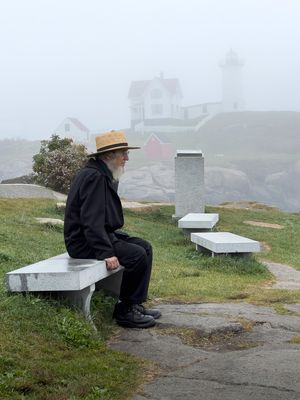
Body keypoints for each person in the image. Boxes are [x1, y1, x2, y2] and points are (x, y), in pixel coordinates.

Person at [64, 130, 161, 328]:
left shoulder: (101, 173)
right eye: (123, 154)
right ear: (109, 156)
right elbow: (91, 220)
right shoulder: (95, 178)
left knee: (145, 247)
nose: (126, 158)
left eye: (127, 153)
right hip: (83, 243)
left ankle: (134, 303)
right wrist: (106, 252)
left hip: (96, 237)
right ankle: (124, 311)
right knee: (136, 255)